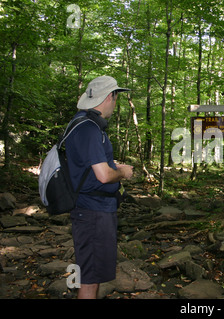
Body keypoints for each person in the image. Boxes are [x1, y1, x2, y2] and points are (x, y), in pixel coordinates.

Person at [65, 76, 134, 299]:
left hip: (92, 211)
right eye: (116, 97)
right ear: (110, 97)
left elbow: (92, 167)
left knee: (90, 275)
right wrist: (123, 172)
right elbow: (103, 176)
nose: (115, 103)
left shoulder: (82, 124)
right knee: (88, 279)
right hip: (93, 212)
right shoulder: (89, 129)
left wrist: (115, 165)